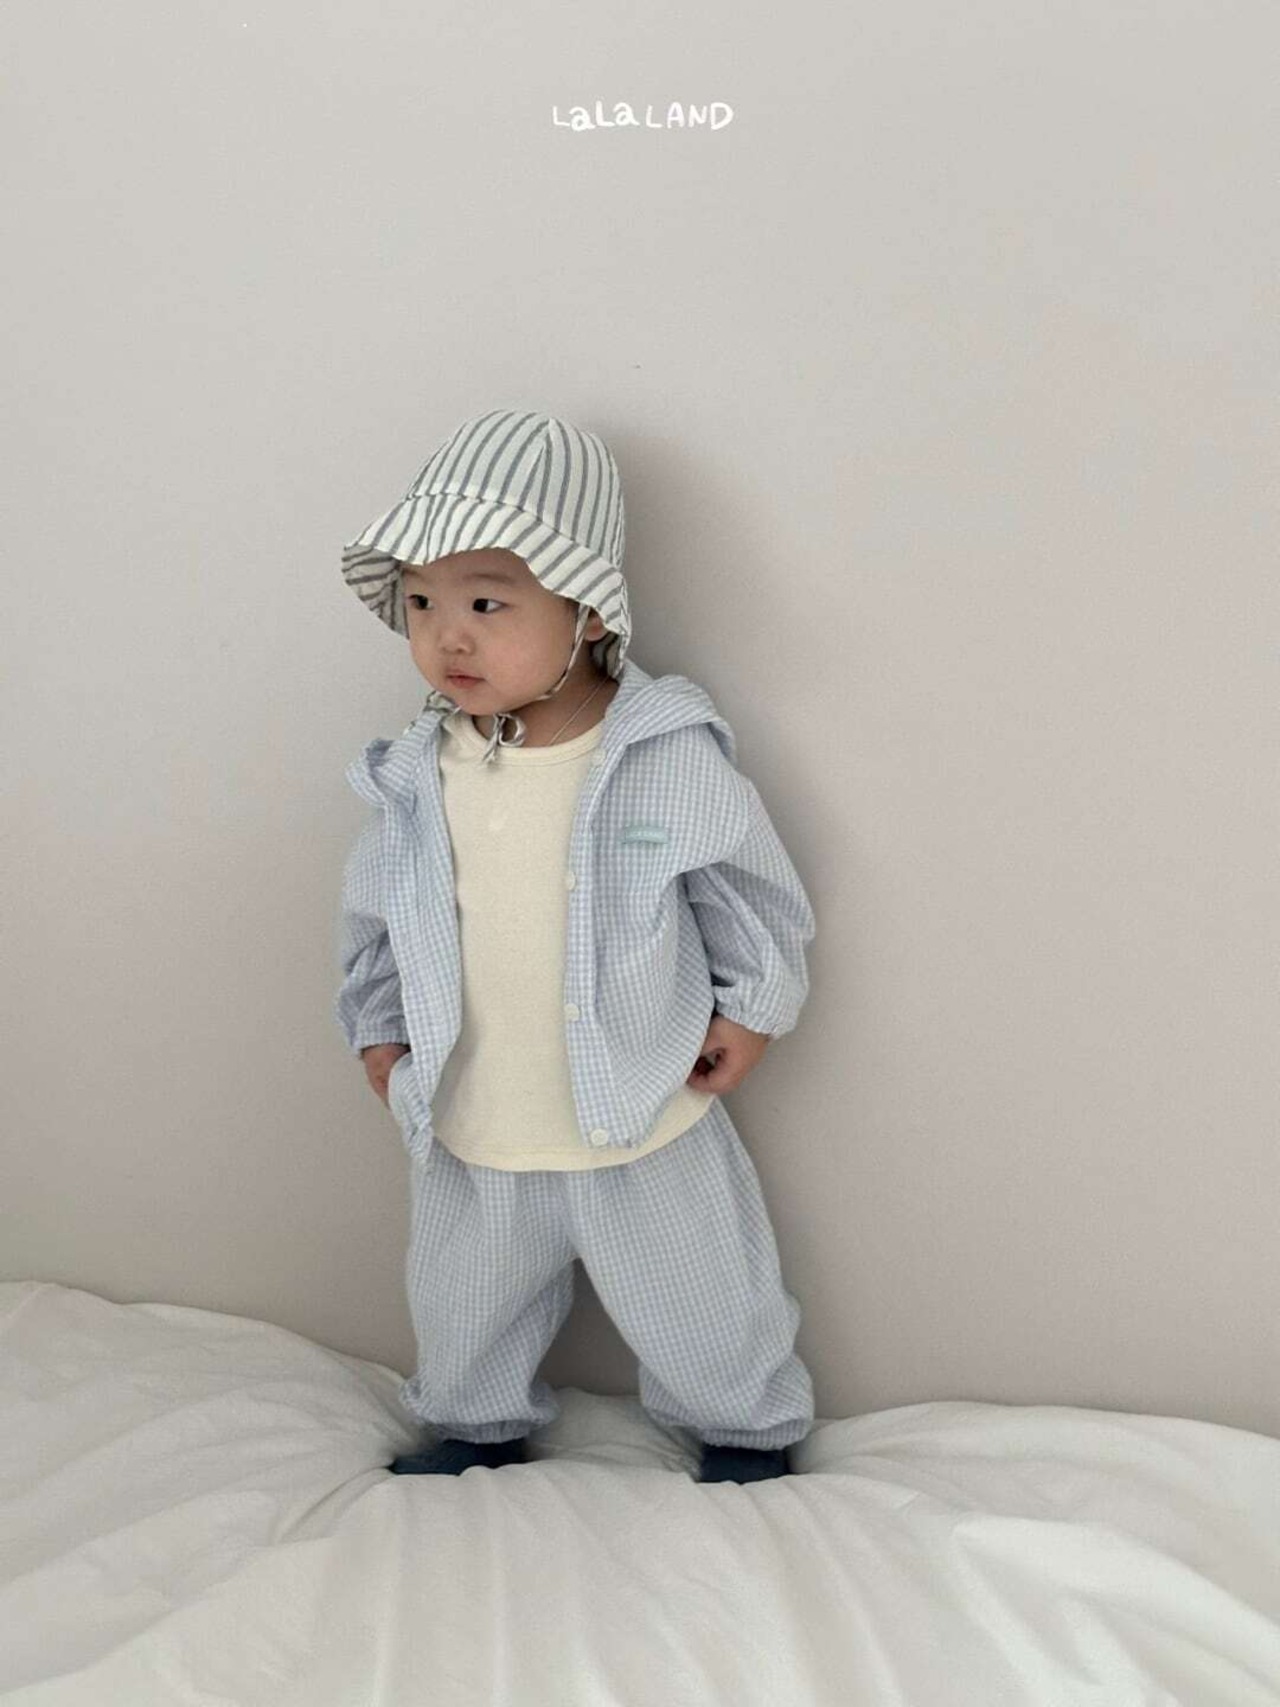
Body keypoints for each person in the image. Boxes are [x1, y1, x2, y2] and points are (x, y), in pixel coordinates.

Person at [335, 408, 817, 1484]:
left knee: (703, 1295)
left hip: (643, 1102)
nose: (446, 637)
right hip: (474, 1108)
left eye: (486, 603)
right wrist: (378, 1033)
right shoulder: (420, 771)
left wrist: (753, 1009)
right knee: (464, 1299)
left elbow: (747, 890)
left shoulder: (658, 753)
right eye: (421, 602)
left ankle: (745, 1430)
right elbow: (378, 912)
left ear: (587, 610)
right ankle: (474, 1420)